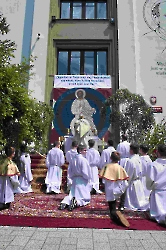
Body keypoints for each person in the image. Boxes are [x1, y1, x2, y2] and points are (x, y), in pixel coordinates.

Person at [99, 151, 130, 227]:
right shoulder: (120, 168)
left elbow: (103, 179)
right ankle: (114, 214)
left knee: (111, 203)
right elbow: (123, 181)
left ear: (110, 158)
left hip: (109, 186)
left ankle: (114, 216)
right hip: (116, 187)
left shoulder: (107, 166)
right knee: (114, 201)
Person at [59, 144, 92, 211]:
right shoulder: (83, 160)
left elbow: (70, 170)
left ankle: (65, 202)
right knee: (84, 198)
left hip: (75, 179)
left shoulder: (73, 159)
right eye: (84, 150)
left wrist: (71, 177)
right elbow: (85, 171)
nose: (86, 152)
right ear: (80, 151)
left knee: (72, 194)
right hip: (82, 180)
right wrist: (88, 178)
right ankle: (76, 202)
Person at [119, 143, 149, 211]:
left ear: (131, 150)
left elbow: (128, 174)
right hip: (138, 181)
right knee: (139, 199)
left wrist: (125, 182)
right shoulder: (139, 158)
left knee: (133, 203)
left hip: (132, 183)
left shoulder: (131, 161)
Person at [146, 144, 166, 225]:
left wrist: (150, 187)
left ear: (158, 152)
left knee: (158, 213)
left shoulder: (153, 165)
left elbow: (149, 181)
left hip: (157, 191)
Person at [0, 146, 20, 210]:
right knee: (8, 190)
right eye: (13, 153)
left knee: (2, 189)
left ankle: (2, 202)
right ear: (12, 154)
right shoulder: (11, 164)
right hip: (9, 180)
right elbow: (14, 176)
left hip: (2, 180)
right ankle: (7, 203)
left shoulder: (2, 162)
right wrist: (16, 184)